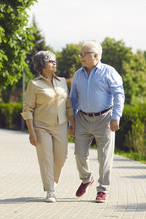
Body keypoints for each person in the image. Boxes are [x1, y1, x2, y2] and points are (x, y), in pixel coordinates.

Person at [69, 41, 125, 203]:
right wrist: (72, 123)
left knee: (104, 156)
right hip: (82, 118)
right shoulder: (78, 74)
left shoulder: (109, 72)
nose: (81, 57)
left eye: (83, 54)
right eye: (80, 54)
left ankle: (102, 190)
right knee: (79, 153)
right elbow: (73, 99)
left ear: (96, 56)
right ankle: (86, 178)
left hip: (105, 119)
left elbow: (119, 94)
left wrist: (116, 116)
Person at [21, 51, 75, 203]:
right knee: (46, 158)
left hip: (61, 125)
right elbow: (28, 109)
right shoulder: (34, 84)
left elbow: (68, 105)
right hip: (41, 127)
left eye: (54, 60)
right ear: (42, 65)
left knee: (62, 157)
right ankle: (50, 190)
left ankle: (52, 181)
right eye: (50, 61)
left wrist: (73, 124)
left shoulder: (62, 82)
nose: (54, 63)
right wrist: (31, 132)